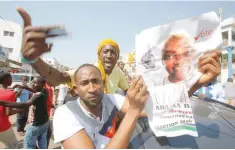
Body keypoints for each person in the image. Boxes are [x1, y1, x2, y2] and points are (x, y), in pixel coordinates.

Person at [53, 64, 149, 148]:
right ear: (76, 89)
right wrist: (133, 112)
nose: (92, 89)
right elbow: (135, 109)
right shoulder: (65, 113)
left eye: (96, 81)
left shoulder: (111, 99)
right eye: (84, 83)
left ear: (103, 84)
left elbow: (146, 110)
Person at [0, 76, 49, 149]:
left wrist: (2, 103)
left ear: (42, 84)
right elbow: (34, 90)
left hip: (36, 124)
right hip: (45, 122)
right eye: (33, 82)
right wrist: (24, 87)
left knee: (29, 145)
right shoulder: (45, 90)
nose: (32, 84)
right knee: (42, 142)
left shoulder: (38, 95)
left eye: (35, 83)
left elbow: (26, 104)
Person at [0, 72, 22, 148]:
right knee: (13, 146)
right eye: (11, 79)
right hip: (2, 125)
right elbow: (8, 112)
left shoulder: (10, 92)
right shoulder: (10, 93)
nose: (12, 80)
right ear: (7, 80)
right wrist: (20, 110)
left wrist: (14, 90)